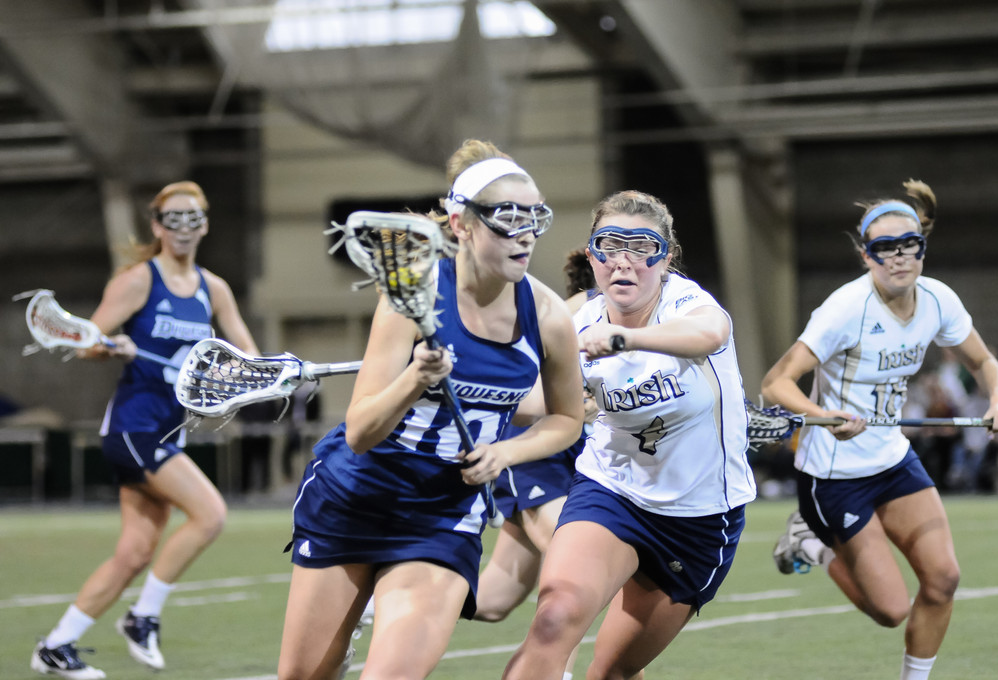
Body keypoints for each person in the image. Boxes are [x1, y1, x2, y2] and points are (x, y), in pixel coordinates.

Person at [276, 139, 584, 680]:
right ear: (461, 223)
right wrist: (414, 378)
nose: (527, 234)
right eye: (508, 220)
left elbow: (566, 419)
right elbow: (359, 432)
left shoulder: (548, 314)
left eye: (535, 218)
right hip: (355, 496)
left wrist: (505, 453)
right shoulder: (412, 294)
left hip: (442, 516)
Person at [761, 179, 998, 680]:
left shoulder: (939, 300)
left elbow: (986, 360)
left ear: (922, 248)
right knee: (890, 610)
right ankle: (809, 543)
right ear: (866, 257)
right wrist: (825, 418)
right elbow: (777, 384)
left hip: (892, 459)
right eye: (884, 249)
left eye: (909, 246)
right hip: (833, 473)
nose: (898, 257)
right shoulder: (844, 310)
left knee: (944, 578)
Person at [503, 190, 756, 680]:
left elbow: (710, 334)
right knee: (554, 619)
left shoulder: (684, 302)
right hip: (612, 492)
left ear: (665, 259)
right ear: (593, 257)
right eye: (610, 245)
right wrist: (462, 378)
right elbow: (532, 402)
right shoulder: (577, 324)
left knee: (613, 672)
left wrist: (624, 339)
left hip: (700, 517)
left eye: (642, 248)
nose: (625, 261)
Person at [31, 181, 259, 679]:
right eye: (172, 219)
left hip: (168, 431)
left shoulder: (212, 288)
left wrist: (266, 372)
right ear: (157, 226)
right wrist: (112, 346)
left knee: (134, 553)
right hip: (134, 428)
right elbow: (86, 341)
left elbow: (247, 355)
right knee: (210, 514)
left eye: (192, 218)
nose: (183, 228)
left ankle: (56, 646)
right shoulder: (138, 280)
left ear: (205, 224)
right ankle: (142, 617)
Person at [473, 250, 598, 680]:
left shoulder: (645, 316)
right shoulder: (572, 314)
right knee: (581, 574)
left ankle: (382, 595)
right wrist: (583, 403)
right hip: (534, 449)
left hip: (577, 459)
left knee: (492, 600)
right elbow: (523, 401)